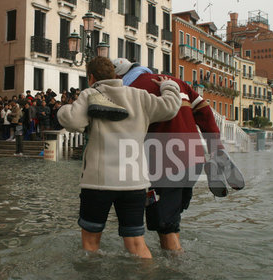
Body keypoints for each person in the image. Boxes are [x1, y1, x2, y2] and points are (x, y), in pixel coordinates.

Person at [113, 58, 244, 252]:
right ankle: (216, 155)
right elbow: (205, 112)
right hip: (194, 159)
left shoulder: (128, 90)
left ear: (119, 76)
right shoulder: (176, 81)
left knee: (165, 225)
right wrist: (214, 144)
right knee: (172, 218)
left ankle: (174, 269)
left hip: (164, 163)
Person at [57, 57, 182, 259]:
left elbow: (73, 121)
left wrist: (62, 110)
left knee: (91, 242)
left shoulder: (90, 94)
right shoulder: (139, 96)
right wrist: (168, 86)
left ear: (91, 78)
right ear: (116, 76)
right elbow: (170, 107)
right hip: (133, 183)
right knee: (136, 243)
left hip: (98, 182)